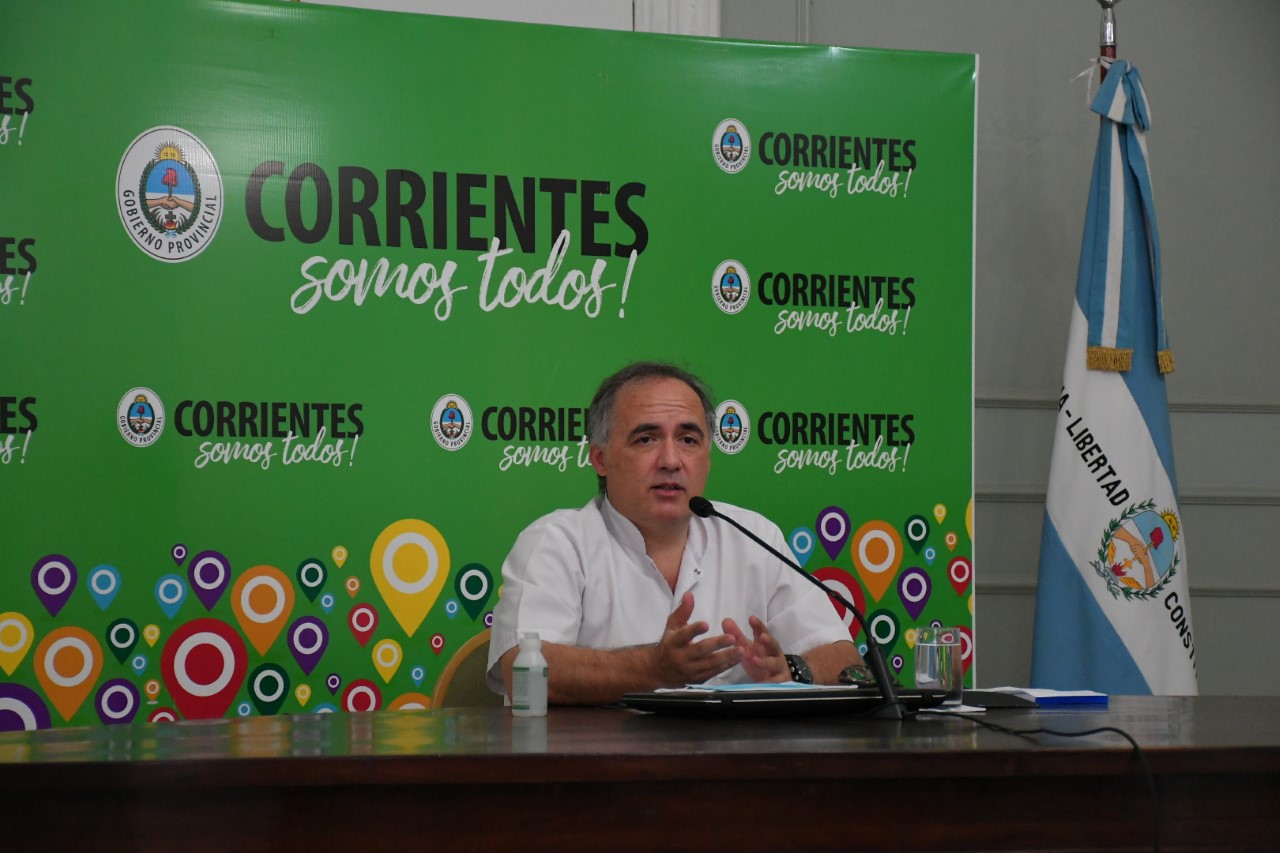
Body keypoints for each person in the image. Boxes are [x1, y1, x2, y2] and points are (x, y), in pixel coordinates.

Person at [486, 361, 863, 704]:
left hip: (734, 756)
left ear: (707, 458)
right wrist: (653, 669)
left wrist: (791, 672)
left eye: (688, 440)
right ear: (600, 458)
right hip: (596, 757)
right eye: (646, 439)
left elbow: (844, 659)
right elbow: (523, 670)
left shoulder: (753, 536)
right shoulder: (557, 542)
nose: (670, 461)